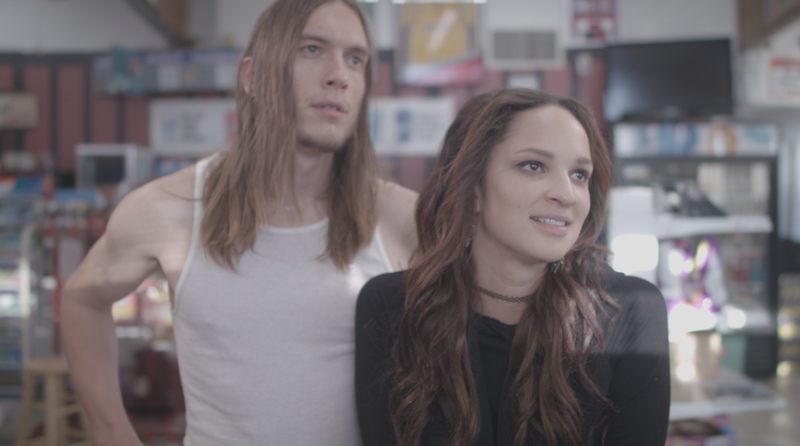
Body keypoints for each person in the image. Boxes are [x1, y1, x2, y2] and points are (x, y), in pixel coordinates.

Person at [60, 0, 417, 445]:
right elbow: (82, 301)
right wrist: (111, 432)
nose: (338, 75)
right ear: (253, 77)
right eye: (311, 49)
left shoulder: (401, 216)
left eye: (356, 59)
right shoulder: (170, 208)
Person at [355, 88, 670, 446]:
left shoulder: (629, 310)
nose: (566, 194)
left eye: (579, 174)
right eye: (533, 166)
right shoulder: (390, 306)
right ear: (472, 188)